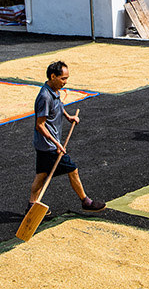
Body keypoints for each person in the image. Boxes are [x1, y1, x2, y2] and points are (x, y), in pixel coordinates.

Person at [29, 60, 105, 214]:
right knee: (73, 169)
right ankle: (85, 201)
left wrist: (68, 117)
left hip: (48, 144)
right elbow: (40, 125)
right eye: (63, 79)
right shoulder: (44, 97)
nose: (65, 82)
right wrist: (57, 144)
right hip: (48, 146)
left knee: (42, 174)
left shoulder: (54, 91)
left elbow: (58, 107)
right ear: (52, 76)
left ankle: (32, 205)